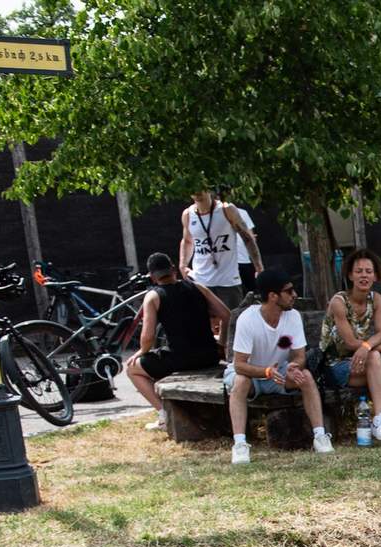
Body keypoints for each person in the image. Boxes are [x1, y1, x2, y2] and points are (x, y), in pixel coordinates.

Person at [225, 268, 331, 464]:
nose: (294, 295)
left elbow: (299, 356)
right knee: (240, 382)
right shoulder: (247, 319)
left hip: (280, 374)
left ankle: (320, 436)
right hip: (252, 374)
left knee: (306, 377)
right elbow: (239, 365)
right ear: (273, 296)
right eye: (289, 291)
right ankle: (239, 444)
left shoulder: (293, 316)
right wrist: (265, 372)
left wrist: (294, 366)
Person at [321, 248, 381, 443]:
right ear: (350, 275)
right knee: (375, 357)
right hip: (332, 366)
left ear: (375, 276)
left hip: (359, 363)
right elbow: (349, 342)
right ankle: (379, 419)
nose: (364, 275)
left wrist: (367, 347)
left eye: (368, 271)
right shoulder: (339, 302)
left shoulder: (376, 299)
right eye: (359, 271)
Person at [125, 252, 229, 431]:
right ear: (173, 269)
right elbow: (226, 315)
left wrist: (142, 351)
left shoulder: (153, 296)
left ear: (152, 277)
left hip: (179, 358)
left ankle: (164, 415)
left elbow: (148, 337)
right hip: (209, 355)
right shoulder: (198, 287)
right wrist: (222, 344)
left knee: (132, 369)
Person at [179, 188, 260, 311]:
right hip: (201, 281)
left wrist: (259, 267)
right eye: (193, 189)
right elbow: (187, 241)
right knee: (202, 320)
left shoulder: (226, 209)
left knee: (232, 319)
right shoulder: (188, 214)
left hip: (227, 281)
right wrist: (183, 265)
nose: (197, 193)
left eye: (200, 189)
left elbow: (248, 239)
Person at [224, 191, 259, 295]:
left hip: (244, 261)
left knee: (249, 293)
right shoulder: (215, 215)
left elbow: (251, 237)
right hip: (227, 263)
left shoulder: (242, 213)